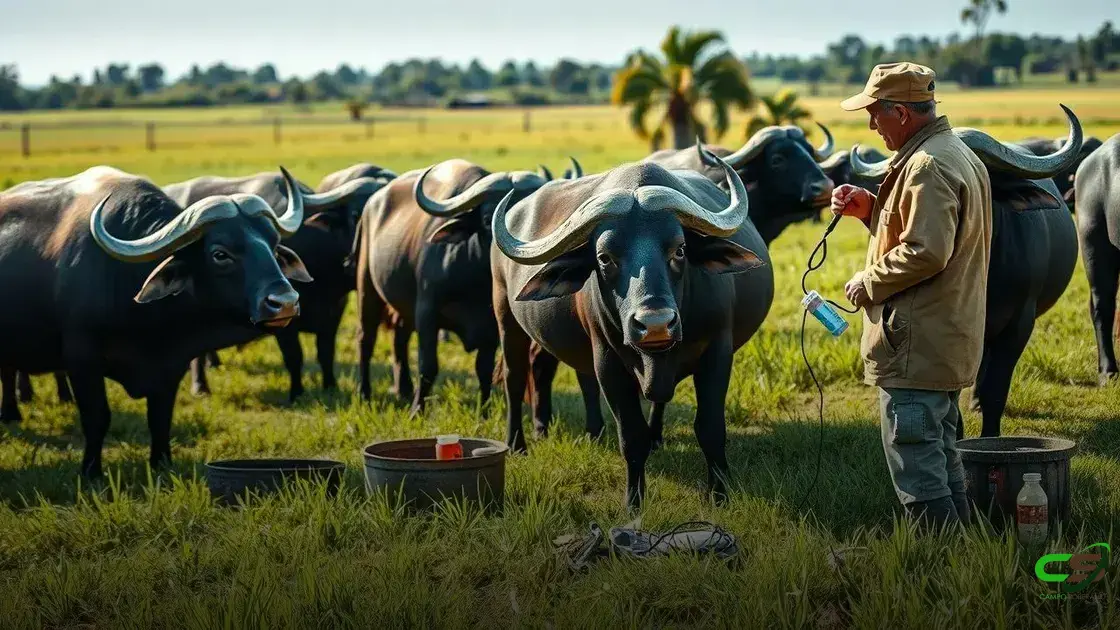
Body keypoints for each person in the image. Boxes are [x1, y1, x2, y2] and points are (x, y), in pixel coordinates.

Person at [831, 62, 993, 530]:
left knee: (917, 460)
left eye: (875, 113)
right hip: (946, 334)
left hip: (917, 342)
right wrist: (871, 210)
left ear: (900, 112)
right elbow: (932, 230)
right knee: (942, 453)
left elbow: (926, 251)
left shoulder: (926, 165)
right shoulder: (956, 153)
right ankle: (966, 556)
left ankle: (938, 568)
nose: (870, 124)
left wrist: (869, 282)